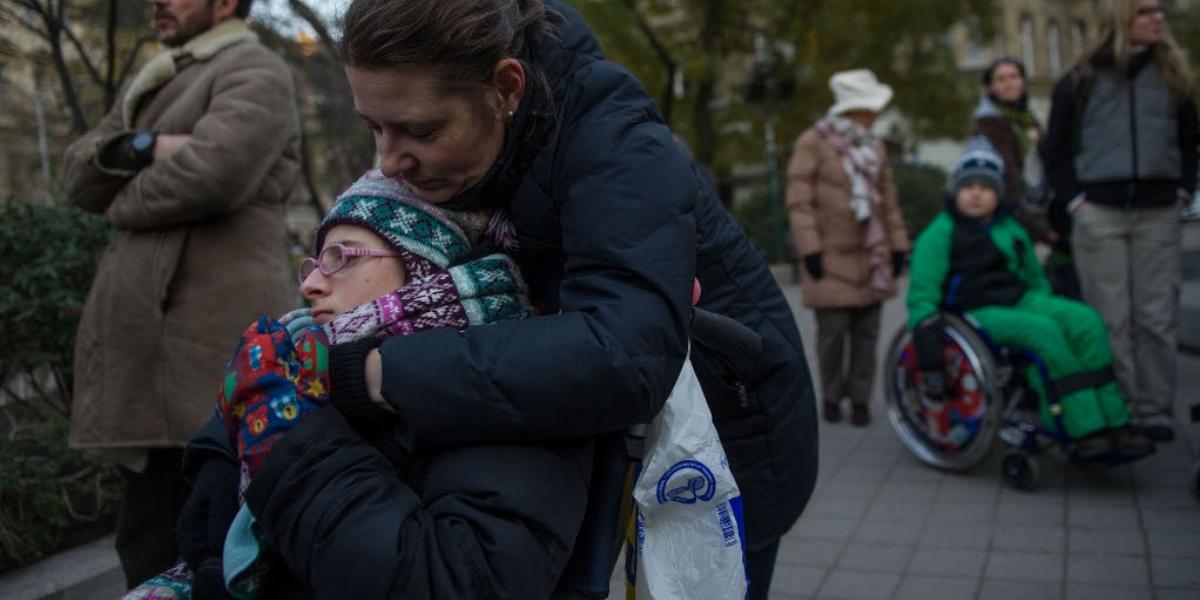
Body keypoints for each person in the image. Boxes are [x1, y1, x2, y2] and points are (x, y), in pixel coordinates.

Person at [178, 1, 818, 597]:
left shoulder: (614, 139)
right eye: (374, 126)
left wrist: (367, 373)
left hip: (732, 431)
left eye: (418, 130)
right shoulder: (435, 149)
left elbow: (624, 355)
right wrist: (232, 436)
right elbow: (358, 293)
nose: (389, 159)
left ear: (506, 88)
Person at [129, 171, 591, 599]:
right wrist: (225, 447)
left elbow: (451, 580)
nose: (310, 282)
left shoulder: (508, 386)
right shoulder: (294, 365)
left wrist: (285, 439)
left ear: (427, 267)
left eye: (341, 258)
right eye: (313, 261)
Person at [61, 0, 302, 585]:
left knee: (216, 539)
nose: (158, 2)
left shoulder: (254, 69)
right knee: (148, 536)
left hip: (206, 357)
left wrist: (119, 193)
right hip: (151, 360)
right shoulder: (160, 76)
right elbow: (77, 171)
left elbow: (213, 171)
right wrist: (146, 147)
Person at [908, 139, 1153, 459]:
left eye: (986, 186)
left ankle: (1114, 422)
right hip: (975, 311)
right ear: (956, 190)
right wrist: (927, 345)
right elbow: (922, 294)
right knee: (1044, 334)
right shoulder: (939, 233)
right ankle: (1084, 430)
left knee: (1086, 322)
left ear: (998, 193)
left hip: (1021, 298)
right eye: (969, 186)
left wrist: (1049, 306)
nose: (977, 193)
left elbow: (1034, 275)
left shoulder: (1009, 227)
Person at [1044, 0, 1197, 436]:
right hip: (1100, 214)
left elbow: (1191, 139)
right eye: (1146, 10)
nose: (1158, 18)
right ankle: (1120, 409)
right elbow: (1055, 151)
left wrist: (1183, 190)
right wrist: (1076, 203)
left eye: (1160, 10)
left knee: (1156, 319)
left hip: (1158, 212)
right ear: (1120, 18)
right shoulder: (1080, 80)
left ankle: (1155, 411)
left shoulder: (1173, 75)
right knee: (1110, 319)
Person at [785, 68, 910, 426]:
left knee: (867, 335)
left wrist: (899, 244)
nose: (874, 116)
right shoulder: (812, 142)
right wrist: (809, 249)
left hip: (872, 257)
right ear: (850, 110)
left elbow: (888, 200)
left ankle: (859, 399)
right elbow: (799, 200)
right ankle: (830, 395)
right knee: (832, 336)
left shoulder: (875, 146)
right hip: (829, 258)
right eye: (869, 109)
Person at [973, 57, 1055, 244]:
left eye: (1014, 76)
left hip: (1037, 204)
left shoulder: (1027, 118)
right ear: (990, 87)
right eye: (1001, 79)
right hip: (1012, 213)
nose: (1009, 83)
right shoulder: (989, 124)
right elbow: (1007, 177)